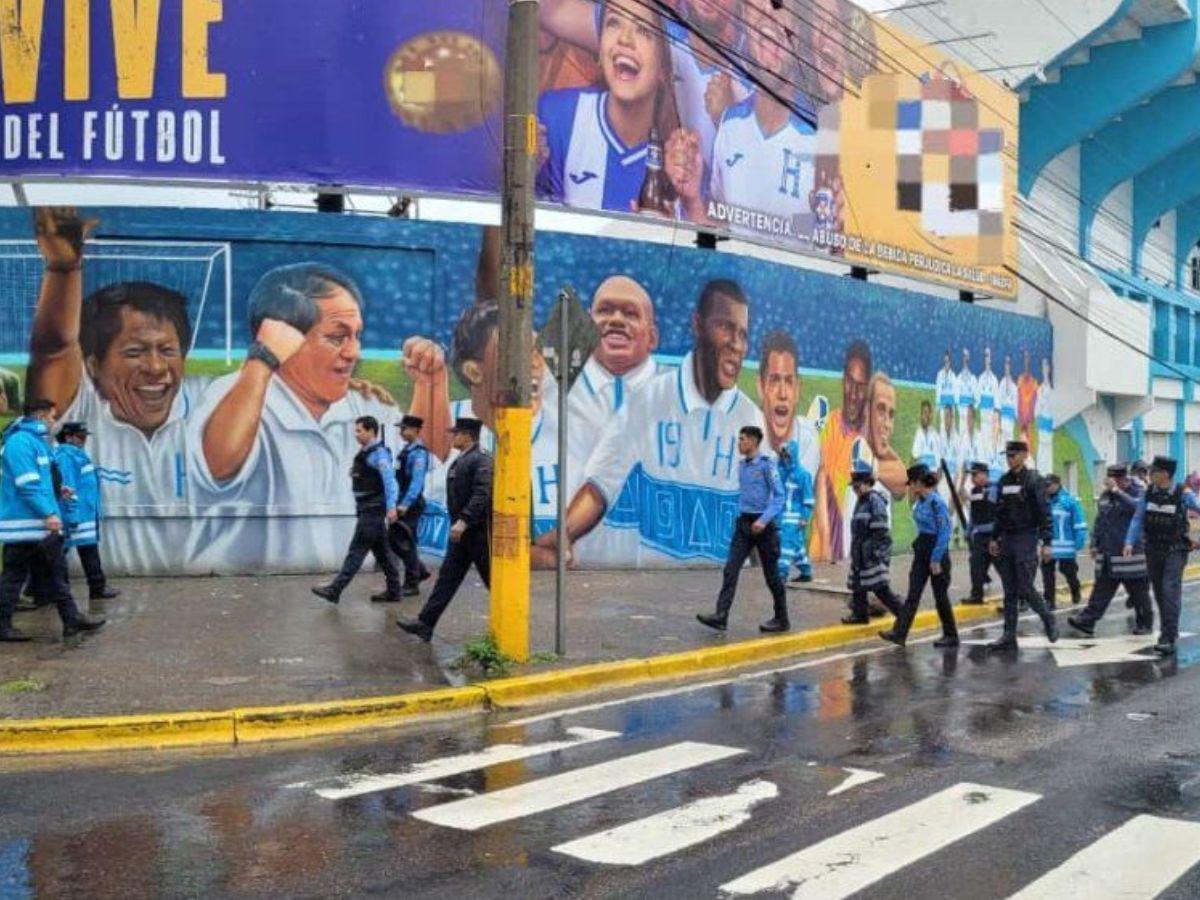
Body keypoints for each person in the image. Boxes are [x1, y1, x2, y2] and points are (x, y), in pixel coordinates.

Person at [25, 207, 209, 574]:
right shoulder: (82, 412)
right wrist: (65, 269)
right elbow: (55, 347)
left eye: (168, 351)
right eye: (135, 352)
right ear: (93, 364)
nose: (156, 369)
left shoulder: (211, 406)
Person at [186, 263, 400, 573]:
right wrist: (262, 360)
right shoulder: (235, 394)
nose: (354, 352)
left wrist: (430, 385)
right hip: (247, 602)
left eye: (357, 336)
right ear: (284, 339)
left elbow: (427, 452)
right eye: (337, 338)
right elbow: (220, 461)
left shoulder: (360, 405)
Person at [540, 278, 763, 566]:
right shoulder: (649, 399)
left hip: (727, 591)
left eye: (743, 335)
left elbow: (758, 510)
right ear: (698, 325)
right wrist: (564, 534)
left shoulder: (749, 416)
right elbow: (600, 486)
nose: (736, 344)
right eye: (725, 328)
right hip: (660, 591)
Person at [668, 0, 819, 243]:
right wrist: (693, 199)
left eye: (779, 6)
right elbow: (724, 234)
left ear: (800, 32)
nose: (766, 16)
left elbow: (826, 252)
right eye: (755, 7)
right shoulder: (730, 125)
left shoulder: (822, 142)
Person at [536, 0, 678, 213]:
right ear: (600, 50)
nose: (624, 38)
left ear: (663, 68)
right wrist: (527, 168)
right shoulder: (553, 113)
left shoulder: (679, 162)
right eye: (613, 23)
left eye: (643, 30)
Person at [0, 400, 104, 642]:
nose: (53, 421)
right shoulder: (20, 443)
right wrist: (49, 513)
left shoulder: (35, 442)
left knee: (55, 573)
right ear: (40, 415)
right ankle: (3, 625)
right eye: (52, 416)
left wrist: (61, 490)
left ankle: (71, 620)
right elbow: (28, 485)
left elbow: (45, 480)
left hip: (37, 524)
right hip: (27, 525)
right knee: (15, 577)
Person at [399, 418, 493, 643]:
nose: (453, 437)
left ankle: (512, 622)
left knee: (495, 582)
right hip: (461, 535)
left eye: (457, 433)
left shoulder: (481, 460)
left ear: (468, 435)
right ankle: (425, 623)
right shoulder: (463, 459)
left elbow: (483, 493)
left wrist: (464, 520)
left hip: (477, 534)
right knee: (447, 579)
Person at [697, 426, 790, 633]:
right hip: (744, 524)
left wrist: (764, 520)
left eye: (743, 439)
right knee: (731, 569)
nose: (739, 443)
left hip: (764, 526)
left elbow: (779, 496)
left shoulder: (767, 466)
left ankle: (782, 618)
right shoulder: (741, 466)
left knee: (771, 575)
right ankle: (721, 615)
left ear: (754, 442)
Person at [311, 417, 401, 605]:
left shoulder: (379, 454)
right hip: (366, 509)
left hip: (373, 510)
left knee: (356, 551)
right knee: (383, 553)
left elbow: (390, 481)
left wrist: (392, 507)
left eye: (359, 431)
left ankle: (335, 590)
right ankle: (394, 591)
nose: (356, 434)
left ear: (371, 431)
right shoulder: (365, 453)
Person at [754, 331, 820, 584]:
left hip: (792, 523)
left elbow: (808, 495)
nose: (782, 393)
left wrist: (804, 515)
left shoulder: (808, 445)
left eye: (789, 381)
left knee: (788, 553)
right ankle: (801, 570)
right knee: (796, 551)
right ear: (761, 386)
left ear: (798, 388)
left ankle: (782, 576)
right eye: (774, 380)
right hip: (779, 523)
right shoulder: (750, 443)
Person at [1123, 455, 1200, 656]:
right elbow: (1138, 518)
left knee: (1169, 590)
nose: (1149, 475)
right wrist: (1129, 542)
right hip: (1153, 549)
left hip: (1175, 549)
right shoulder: (1148, 493)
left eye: (1153, 472)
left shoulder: (1183, 494)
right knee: (1159, 592)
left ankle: (1167, 636)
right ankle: (1169, 630)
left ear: (1165, 474)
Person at [987, 440, 1059, 651]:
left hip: (1027, 538)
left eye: (1013, 455)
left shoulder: (1034, 480)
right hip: (1007, 539)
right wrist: (994, 537)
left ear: (1024, 455)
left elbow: (1045, 513)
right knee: (1009, 589)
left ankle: (1048, 618)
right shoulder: (1003, 481)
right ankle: (1009, 635)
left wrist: (1047, 543)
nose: (1010, 459)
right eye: (1007, 456)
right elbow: (999, 513)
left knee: (1025, 587)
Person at [1068, 464, 1153, 637]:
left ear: (1123, 478)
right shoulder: (1106, 497)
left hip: (1130, 554)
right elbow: (1100, 521)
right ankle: (1087, 620)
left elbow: (1138, 509)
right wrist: (1094, 543)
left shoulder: (1138, 491)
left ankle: (1145, 623)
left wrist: (1117, 492)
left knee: (1138, 592)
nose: (1110, 483)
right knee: (1101, 589)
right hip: (1108, 552)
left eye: (1114, 480)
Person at [879, 463, 958, 649]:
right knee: (913, 594)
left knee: (941, 597)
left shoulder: (936, 502)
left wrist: (936, 558)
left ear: (918, 483)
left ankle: (951, 635)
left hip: (936, 552)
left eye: (911, 484)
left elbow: (945, 531)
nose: (910, 488)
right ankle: (899, 633)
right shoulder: (921, 502)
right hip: (922, 549)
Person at [812, 340, 873, 563]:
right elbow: (818, 484)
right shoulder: (829, 425)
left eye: (861, 385)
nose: (854, 393)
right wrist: (827, 545)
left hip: (851, 551)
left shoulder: (869, 437)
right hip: (822, 551)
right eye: (850, 382)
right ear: (843, 380)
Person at [54, 422, 119, 601]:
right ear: (68, 437)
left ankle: (97, 586)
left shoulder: (75, 455)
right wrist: (72, 516)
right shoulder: (66, 457)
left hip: (84, 515)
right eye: (80, 437)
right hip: (77, 516)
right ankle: (95, 587)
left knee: (83, 550)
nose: (84, 441)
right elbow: (68, 487)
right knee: (59, 554)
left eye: (85, 437)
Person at [842, 465, 902, 625]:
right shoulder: (861, 501)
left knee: (880, 588)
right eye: (853, 487)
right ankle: (860, 615)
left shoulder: (875, 501)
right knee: (858, 585)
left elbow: (880, 531)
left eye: (858, 486)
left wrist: (874, 553)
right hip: (860, 552)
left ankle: (903, 614)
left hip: (871, 553)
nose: (855, 490)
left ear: (868, 483)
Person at [390, 415, 432, 598]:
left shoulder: (419, 453)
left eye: (404, 429)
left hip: (411, 504)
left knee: (405, 543)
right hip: (402, 502)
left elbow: (416, 482)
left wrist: (405, 504)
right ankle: (419, 570)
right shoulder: (407, 450)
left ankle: (412, 583)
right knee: (398, 540)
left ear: (415, 430)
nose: (401, 432)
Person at [1041, 473, 1086, 609]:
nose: (1047, 488)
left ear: (1057, 484)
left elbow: (1079, 522)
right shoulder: (1044, 501)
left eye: (1049, 486)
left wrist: (1079, 542)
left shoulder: (1070, 501)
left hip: (1067, 547)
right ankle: (1049, 600)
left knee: (1068, 572)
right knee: (1047, 573)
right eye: (1045, 486)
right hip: (1049, 546)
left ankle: (1075, 589)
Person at [975, 347, 999, 457]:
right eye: (985, 356)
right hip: (983, 422)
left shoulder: (994, 380)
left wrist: (995, 425)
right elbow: (977, 402)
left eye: (988, 356)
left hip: (991, 424)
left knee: (991, 448)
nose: (987, 359)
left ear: (991, 359)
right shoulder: (980, 379)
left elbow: (997, 405)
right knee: (982, 448)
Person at [1035, 357, 1054, 474]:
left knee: (1048, 454)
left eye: (1046, 366)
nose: (1044, 369)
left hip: (1050, 427)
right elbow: (1037, 411)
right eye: (1043, 366)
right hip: (1042, 427)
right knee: (1041, 453)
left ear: (1049, 368)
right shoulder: (1040, 389)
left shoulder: (1053, 388)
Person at [911, 399, 940, 471]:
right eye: (924, 412)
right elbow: (915, 456)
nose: (926, 416)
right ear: (921, 415)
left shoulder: (935, 434)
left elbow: (939, 459)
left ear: (930, 415)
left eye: (928, 413)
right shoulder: (918, 433)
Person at [997, 353, 1018, 442]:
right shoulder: (1001, 384)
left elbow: (1016, 412)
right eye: (1005, 363)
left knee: (1010, 453)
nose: (1007, 366)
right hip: (1001, 428)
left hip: (1010, 428)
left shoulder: (1014, 388)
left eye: (1008, 363)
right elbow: (998, 406)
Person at [955, 348, 976, 431]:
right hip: (961, 417)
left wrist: (971, 414)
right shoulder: (958, 379)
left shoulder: (973, 379)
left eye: (967, 357)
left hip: (969, 418)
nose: (965, 359)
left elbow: (976, 399)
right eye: (964, 356)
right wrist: (960, 413)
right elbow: (956, 399)